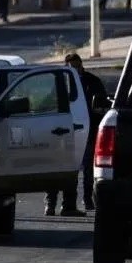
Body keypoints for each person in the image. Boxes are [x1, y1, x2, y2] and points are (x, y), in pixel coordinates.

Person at [45, 52, 111, 216]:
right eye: (71, 68)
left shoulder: (92, 82)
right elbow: (48, 103)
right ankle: (51, 204)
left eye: (77, 67)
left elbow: (102, 104)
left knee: (86, 169)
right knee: (57, 168)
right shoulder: (60, 83)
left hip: (86, 130)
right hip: (62, 131)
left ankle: (81, 201)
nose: (74, 71)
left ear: (81, 65)